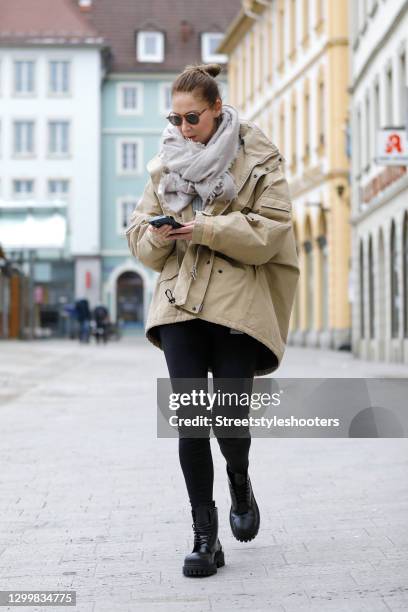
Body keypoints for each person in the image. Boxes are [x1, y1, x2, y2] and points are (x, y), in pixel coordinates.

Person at [126, 63, 299, 577]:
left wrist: (204, 228)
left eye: (192, 118)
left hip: (235, 306)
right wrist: (159, 235)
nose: (181, 129)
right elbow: (137, 235)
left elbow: (272, 229)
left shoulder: (258, 158)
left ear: (217, 110)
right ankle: (206, 535)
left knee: (229, 418)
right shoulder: (165, 164)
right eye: (174, 119)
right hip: (179, 305)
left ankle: (240, 479)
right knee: (190, 422)